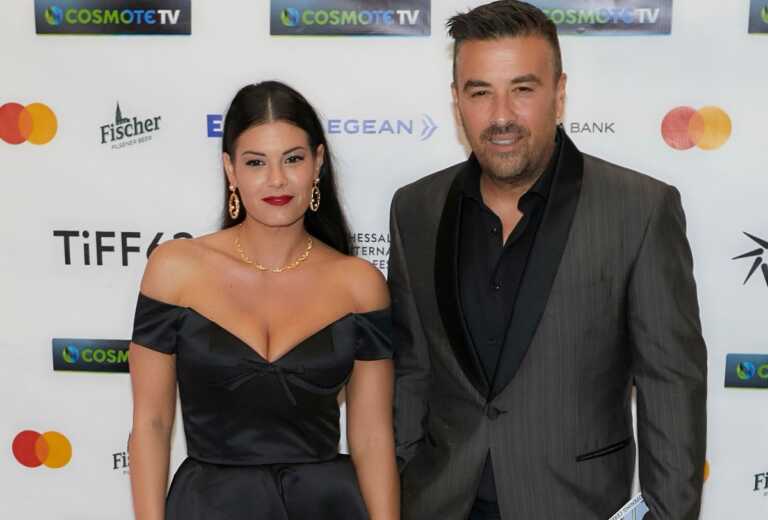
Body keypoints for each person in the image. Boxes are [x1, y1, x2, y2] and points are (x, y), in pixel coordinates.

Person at [389, 2, 707, 519]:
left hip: (574, 505)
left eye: (522, 89)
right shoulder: (416, 208)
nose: (501, 116)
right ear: (456, 99)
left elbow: (670, 385)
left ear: (559, 94)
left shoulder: (640, 210)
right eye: (480, 92)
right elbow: (412, 371)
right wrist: (406, 474)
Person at [128, 81, 399, 520]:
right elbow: (151, 424)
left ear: (318, 163)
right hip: (209, 508)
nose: (277, 179)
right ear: (231, 170)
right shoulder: (175, 270)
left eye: (293, 159)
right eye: (256, 162)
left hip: (326, 507)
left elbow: (372, 437)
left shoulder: (359, 285)